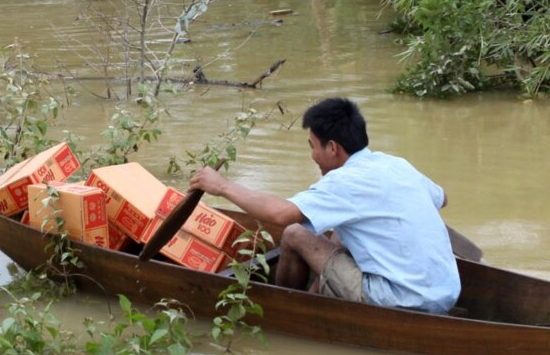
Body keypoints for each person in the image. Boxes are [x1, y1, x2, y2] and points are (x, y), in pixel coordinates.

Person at [189, 97, 460, 314]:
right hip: (445, 294)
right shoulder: (395, 164)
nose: (313, 156)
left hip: (400, 300)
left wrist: (222, 186)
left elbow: (281, 214)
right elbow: (442, 198)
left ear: (332, 148)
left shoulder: (345, 181)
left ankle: (287, 315)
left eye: (313, 147)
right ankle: (318, 296)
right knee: (340, 233)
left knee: (296, 234)